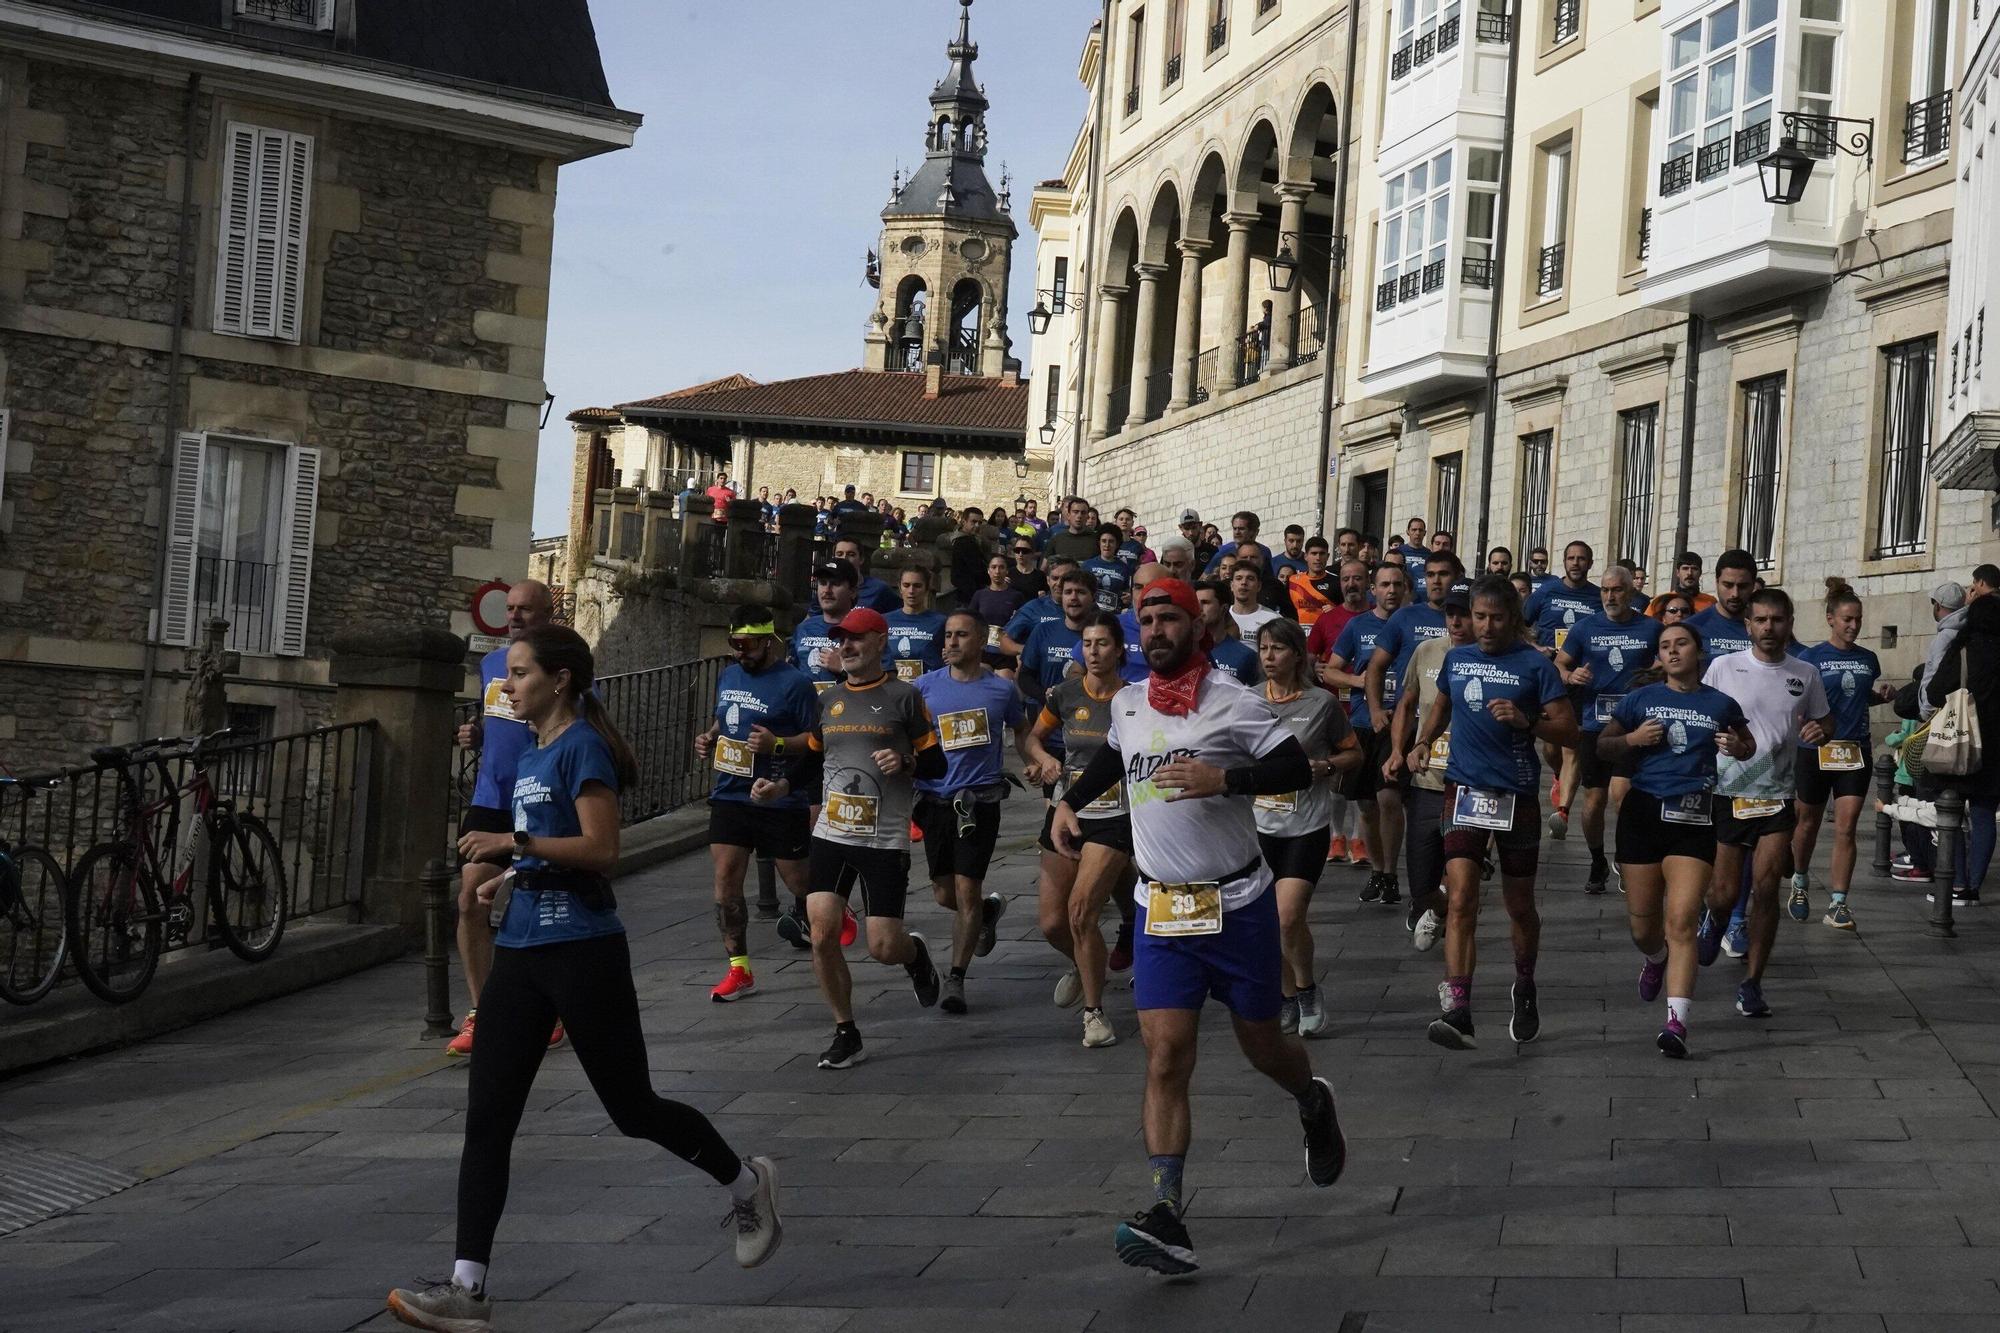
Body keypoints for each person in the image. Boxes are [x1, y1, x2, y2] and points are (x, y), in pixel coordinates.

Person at [389, 628, 782, 1331]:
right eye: (507, 675)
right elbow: (553, 848)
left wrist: (514, 844)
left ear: (561, 679)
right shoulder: (535, 750)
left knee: (633, 1109)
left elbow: (601, 849)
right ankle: (467, 1287)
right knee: (487, 1118)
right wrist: (513, 876)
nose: (507, 687)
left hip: (583, 951)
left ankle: (748, 1182)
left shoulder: (581, 747)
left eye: (518, 673)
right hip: (520, 950)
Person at [1049, 578, 1346, 1275]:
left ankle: (1311, 1098)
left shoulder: (1232, 700)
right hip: (1162, 909)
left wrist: (1227, 780)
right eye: (1145, 618)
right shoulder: (1126, 702)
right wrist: (1068, 802)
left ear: (1195, 626)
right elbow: (1115, 755)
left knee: (1263, 1045)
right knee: (1166, 1054)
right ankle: (1166, 1212)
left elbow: (1294, 763)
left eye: (1168, 618)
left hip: (1237, 904)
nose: (1155, 629)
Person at [1409, 577, 1577, 1049]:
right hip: (1463, 788)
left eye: (1495, 618)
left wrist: (1528, 721)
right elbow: (1441, 705)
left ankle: (1524, 985)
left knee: (1518, 906)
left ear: (1514, 620)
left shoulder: (1534, 666)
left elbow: (1569, 731)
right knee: (1461, 897)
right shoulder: (1458, 659)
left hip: (1517, 794)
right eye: (1478, 616)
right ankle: (1458, 1007)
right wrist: (1422, 741)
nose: (1484, 626)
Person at [797, 607, 948, 1069]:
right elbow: (812, 763)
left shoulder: (905, 698)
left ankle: (914, 953)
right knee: (821, 932)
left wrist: (904, 764)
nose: (846, 646)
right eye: (841, 639)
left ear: (880, 641)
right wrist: (782, 787)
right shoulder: (828, 699)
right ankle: (846, 1031)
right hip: (832, 832)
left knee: (882, 946)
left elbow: (937, 765)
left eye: (857, 638)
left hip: (884, 839)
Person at [1597, 622, 1754, 1058]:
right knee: (1644, 928)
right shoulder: (1639, 699)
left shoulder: (1720, 703)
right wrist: (1632, 739)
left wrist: (1736, 747)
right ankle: (1654, 958)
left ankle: (1677, 1021)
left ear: (1698, 650)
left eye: (1680, 643)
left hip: (1694, 816)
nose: (1672, 651)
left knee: (1682, 920)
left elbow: (1747, 744)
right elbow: (1602, 747)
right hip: (1643, 814)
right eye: (1665, 646)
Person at [1696, 588, 1832, 1019]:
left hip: (1776, 796)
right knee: (1722, 893)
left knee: (1767, 887)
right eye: (1761, 620)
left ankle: (1752, 982)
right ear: (1748, 625)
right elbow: (1699, 712)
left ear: (1789, 622)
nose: (1769, 628)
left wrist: (1820, 732)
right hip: (1728, 792)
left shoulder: (1805, 673)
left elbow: (1824, 718)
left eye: (1777, 620)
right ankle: (1715, 919)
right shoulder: (1723, 666)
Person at [451, 581, 561, 1058]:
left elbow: (579, 724)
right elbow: (495, 722)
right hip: (491, 795)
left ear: (547, 614)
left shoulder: (565, 665)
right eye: (510, 609)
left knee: (534, 903)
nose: (514, 616)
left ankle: (550, 1006)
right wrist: (474, 733)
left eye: (525, 610)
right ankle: (483, 1013)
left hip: (538, 797)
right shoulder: (491, 665)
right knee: (469, 898)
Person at [693, 607, 820, 1003]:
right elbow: (726, 721)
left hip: (779, 797)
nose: (738, 653)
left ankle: (827, 908)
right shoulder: (730, 675)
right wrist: (710, 737)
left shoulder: (795, 684)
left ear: (768, 641)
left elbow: (817, 741)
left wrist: (777, 745)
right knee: (726, 882)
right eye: (734, 645)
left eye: (746, 646)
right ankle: (739, 969)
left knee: (800, 882)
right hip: (731, 794)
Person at [1024, 611, 1133, 1049]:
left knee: (1081, 911)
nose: (1093, 651)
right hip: (1066, 810)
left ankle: (1094, 1014)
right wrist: (1043, 760)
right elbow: (1033, 737)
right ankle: (1085, 962)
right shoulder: (1065, 694)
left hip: (1115, 817)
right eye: (1087, 644)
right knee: (1052, 923)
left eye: (1102, 643)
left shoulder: (1135, 698)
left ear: (1119, 650)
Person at [913, 611, 1031, 1014]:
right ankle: (985, 913)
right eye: (947, 635)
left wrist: (1036, 759)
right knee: (945, 892)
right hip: (933, 803)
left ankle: (955, 979)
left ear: (981, 640)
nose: (951, 642)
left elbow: (1022, 730)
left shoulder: (1000, 691)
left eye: (961, 635)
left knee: (965, 890)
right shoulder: (923, 687)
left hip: (978, 803)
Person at [1256, 618, 1362, 1036]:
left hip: (1306, 826)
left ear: (1297, 654)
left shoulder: (1321, 703)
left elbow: (1353, 754)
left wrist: (1328, 765)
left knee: (1286, 917)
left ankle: (1306, 990)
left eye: (1277, 648)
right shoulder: (1247, 702)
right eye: (1263, 648)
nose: (1268, 656)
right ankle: (1285, 996)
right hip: (1258, 827)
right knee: (1269, 922)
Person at [1555, 565, 1662, 896]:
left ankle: (1627, 858)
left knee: (1623, 794)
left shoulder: (1650, 628)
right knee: (1594, 801)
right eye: (1604, 590)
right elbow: (1560, 664)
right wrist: (1571, 677)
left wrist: (1654, 675)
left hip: (1634, 727)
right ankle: (1598, 859)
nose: (1610, 596)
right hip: (1595, 727)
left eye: (1617, 590)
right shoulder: (1585, 628)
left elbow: (1667, 663)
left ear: (1631, 593)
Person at [1790, 580, 1891, 929]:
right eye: (1847, 619)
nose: (1853, 626)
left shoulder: (1868, 659)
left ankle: (1838, 903)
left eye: (1858, 619)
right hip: (1815, 751)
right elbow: (1795, 702)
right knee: (1808, 823)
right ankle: (1800, 880)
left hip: (1855, 750)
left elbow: (1860, 696)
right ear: (1831, 619)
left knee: (1846, 827)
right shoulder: (1810, 658)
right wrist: (1805, 723)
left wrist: (1882, 696)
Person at [1361, 551, 1460, 905]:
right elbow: (1376, 667)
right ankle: (1387, 872)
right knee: (1387, 794)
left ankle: (1455, 870)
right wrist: (1375, 710)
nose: (1436, 581)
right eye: (1430, 574)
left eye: (1444, 574)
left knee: (1442, 804)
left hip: (1456, 729)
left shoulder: (1473, 621)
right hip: (1409, 720)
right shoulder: (1405, 617)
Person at [1383, 587, 1476, 953]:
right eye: (1450, 613)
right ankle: (1435, 909)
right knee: (1421, 883)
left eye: (1464, 613)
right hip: (1426, 778)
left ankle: (1458, 965)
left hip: (1469, 785)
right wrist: (1396, 751)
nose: (1455, 621)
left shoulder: (1492, 659)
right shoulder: (1427, 652)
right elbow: (1406, 705)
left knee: (1462, 877)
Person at [1326, 562, 1410, 871]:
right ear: (1373, 590)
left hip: (1404, 723)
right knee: (1366, 804)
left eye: (1397, 584)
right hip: (1364, 722)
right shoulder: (1358, 626)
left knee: (1390, 798)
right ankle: (1377, 869)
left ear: (1405, 589)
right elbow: (1331, 670)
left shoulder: (1415, 623)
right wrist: (1359, 681)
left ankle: (1390, 869)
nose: (1391, 590)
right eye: (1384, 585)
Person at [1923, 583, 2000, 908]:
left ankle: (1957, 882)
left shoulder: (1963, 648)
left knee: (1950, 810)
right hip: (1995, 749)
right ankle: (1973, 887)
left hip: (1960, 742)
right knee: (1984, 814)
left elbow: (1936, 690)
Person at [1525, 541, 1603, 839]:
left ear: (1590, 563)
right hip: (1548, 677)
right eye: (1571, 558)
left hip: (1581, 680)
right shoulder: (1545, 592)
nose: (1576, 563)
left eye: (1582, 559)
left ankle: (1564, 811)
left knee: (1574, 746)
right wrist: (1536, 647)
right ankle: (1558, 775)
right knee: (1550, 746)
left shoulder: (1597, 598)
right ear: (1564, 561)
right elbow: (1519, 626)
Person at [793, 560, 858, 692]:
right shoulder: (803, 628)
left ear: (852, 591)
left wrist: (844, 668)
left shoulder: (864, 630)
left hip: (846, 708)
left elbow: (885, 681)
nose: (827, 590)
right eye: (823, 583)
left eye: (835, 584)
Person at [1686, 549, 1757, 659]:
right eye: (1728, 585)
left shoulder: (1767, 628)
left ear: (1753, 585)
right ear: (1717, 582)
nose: (1735, 594)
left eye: (1742, 586)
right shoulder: (1692, 628)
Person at [1194, 579, 1262, 685]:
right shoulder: (1186, 651)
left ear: (1224, 608)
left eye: (1205, 603)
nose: (1199, 608)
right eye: (1195, 603)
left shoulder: (1247, 656)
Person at [885, 566, 947, 683]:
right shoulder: (884, 621)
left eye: (917, 586)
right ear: (900, 588)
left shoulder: (941, 622)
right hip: (891, 690)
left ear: (927, 589)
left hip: (928, 689)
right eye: (906, 585)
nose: (911, 591)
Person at [970, 553, 1028, 675]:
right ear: (988, 571)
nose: (997, 571)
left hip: (1005, 652)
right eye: (994, 567)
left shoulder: (1016, 596)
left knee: (1004, 685)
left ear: (1007, 571)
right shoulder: (979, 595)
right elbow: (970, 621)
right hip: (984, 650)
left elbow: (1024, 624)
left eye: (1001, 567)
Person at [1920, 580, 1970, 721]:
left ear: (1938, 605)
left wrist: (1926, 711)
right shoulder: (1966, 630)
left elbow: (1938, 676)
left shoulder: (1945, 636)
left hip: (1939, 712)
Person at [832, 536, 899, 615]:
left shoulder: (879, 589)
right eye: (839, 554)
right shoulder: (826, 588)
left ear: (861, 559)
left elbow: (897, 618)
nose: (844, 558)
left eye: (851, 554)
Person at [1646, 551, 1717, 620]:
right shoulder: (1660, 601)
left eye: (1694, 569)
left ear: (1700, 573)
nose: (1689, 573)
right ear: (1677, 572)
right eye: (1685, 568)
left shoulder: (1711, 602)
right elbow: (1645, 627)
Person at [1287, 536, 1338, 629]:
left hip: (1326, 633)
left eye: (1322, 554)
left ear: (1328, 556)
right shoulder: (1292, 580)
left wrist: (1337, 611)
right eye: (1314, 553)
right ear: (1306, 556)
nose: (1318, 558)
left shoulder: (1337, 582)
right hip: (1297, 635)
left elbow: (1347, 611)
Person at [1083, 523, 1135, 610]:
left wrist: (1129, 599)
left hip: (1114, 616)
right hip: (1090, 615)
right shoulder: (1087, 565)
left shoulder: (1124, 568)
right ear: (1099, 542)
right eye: (1103, 541)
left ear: (1117, 544)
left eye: (1111, 541)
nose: (1107, 545)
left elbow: (1127, 593)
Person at [1228, 559, 1281, 638]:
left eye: (1250, 578)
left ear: (1259, 586)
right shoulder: (1221, 618)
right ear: (1232, 585)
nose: (1244, 582)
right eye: (1239, 578)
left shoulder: (1273, 619)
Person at [1046, 496, 1101, 564]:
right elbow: (1044, 568)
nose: (1079, 516)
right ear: (1068, 515)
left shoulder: (1097, 540)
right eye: (1075, 512)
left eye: (1083, 513)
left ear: (1087, 516)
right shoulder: (1056, 539)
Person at [1390, 517, 1430, 588]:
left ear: (1425, 533)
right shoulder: (1398, 552)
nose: (1417, 533)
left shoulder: (1429, 554)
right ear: (1407, 532)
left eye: (1420, 530)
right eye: (1414, 530)